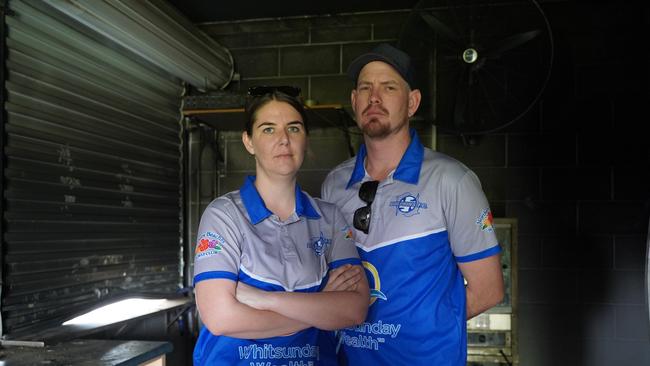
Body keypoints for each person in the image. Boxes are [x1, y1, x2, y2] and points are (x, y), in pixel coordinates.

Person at [321, 43, 505, 365]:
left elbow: (488, 290)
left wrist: (418, 334)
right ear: (354, 101)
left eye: (389, 87)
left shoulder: (452, 180)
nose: (374, 97)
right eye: (365, 88)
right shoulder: (334, 185)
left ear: (412, 103)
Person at [193, 86, 370, 366]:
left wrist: (266, 299)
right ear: (248, 141)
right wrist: (318, 305)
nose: (284, 140)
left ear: (305, 140)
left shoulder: (329, 217)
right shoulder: (223, 216)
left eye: (294, 128)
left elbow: (355, 310)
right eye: (268, 129)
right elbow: (220, 318)